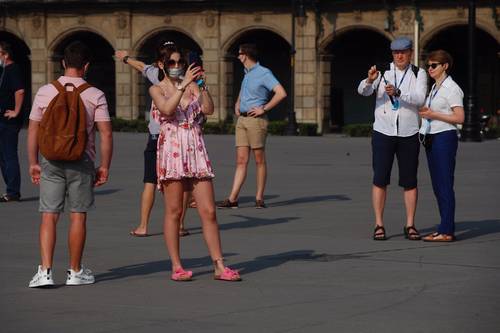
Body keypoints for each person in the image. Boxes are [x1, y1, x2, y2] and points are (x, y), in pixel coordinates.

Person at [149, 44, 240, 281]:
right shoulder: (156, 89)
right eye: (172, 63)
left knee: (208, 211)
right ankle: (177, 266)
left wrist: (201, 86)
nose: (177, 67)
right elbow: (167, 109)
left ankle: (219, 265)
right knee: (174, 211)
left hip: (196, 148)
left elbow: (208, 109)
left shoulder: (191, 86)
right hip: (173, 150)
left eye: (180, 62)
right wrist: (181, 86)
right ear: (161, 65)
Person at [27, 41, 113, 287]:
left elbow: (33, 129)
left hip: (50, 159)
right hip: (81, 159)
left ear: (63, 63)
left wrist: (34, 162)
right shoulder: (95, 94)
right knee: (77, 216)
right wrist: (104, 165)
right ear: (87, 66)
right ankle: (75, 271)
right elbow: (105, 133)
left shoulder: (45, 91)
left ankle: (45, 271)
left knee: (49, 216)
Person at [115, 42, 191, 237]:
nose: (175, 65)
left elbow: (141, 66)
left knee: (150, 180)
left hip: (158, 136)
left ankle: (143, 225)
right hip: (178, 137)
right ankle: (180, 225)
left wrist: (125, 58)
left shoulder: (157, 74)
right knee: (181, 182)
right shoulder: (184, 79)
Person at [357, 36, 427, 240]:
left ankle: (410, 224)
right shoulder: (382, 71)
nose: (400, 56)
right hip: (383, 132)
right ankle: (379, 224)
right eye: (396, 53)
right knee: (380, 179)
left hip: (409, 132)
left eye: (403, 52)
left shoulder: (418, 73)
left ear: (410, 53)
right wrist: (370, 79)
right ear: (392, 54)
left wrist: (398, 92)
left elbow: (420, 98)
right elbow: (363, 91)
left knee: (410, 181)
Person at [217, 43, 287, 209]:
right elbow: (244, 89)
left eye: (239, 53)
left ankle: (259, 198)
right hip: (242, 120)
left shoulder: (264, 73)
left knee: (259, 160)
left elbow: (281, 93)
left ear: (245, 55)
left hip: (256, 121)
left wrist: (264, 108)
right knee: (241, 160)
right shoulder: (247, 72)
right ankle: (233, 199)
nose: (238, 56)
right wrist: (238, 102)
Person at [419, 50, 464, 242]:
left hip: (445, 137)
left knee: (445, 184)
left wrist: (434, 115)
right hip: (432, 137)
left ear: (445, 66)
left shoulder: (451, 88)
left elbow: (460, 117)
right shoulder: (435, 87)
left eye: (434, 65)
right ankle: (444, 228)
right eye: (428, 65)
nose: (430, 69)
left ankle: (446, 231)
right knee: (438, 185)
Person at [0, 41, 25, 202]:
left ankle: (13, 192)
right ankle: (10, 191)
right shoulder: (3, 71)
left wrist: (16, 111)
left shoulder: (13, 69)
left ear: (5, 54)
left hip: (8, 120)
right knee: (3, 156)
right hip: (2, 118)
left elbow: (20, 91)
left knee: (9, 155)